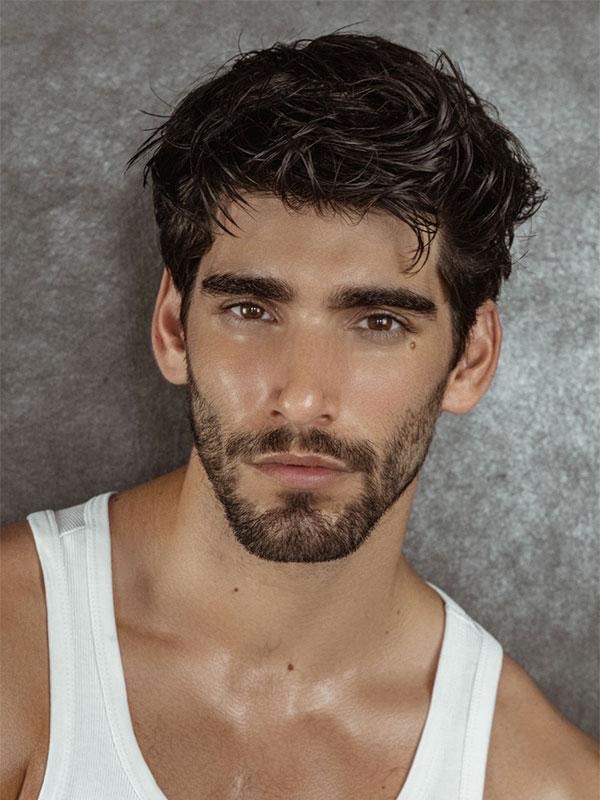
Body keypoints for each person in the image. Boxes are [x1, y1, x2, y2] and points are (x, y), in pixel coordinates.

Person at [1, 31, 597, 800]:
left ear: (470, 358)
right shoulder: (16, 655)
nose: (303, 396)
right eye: (251, 310)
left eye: (379, 322)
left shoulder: (537, 782)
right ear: (175, 328)